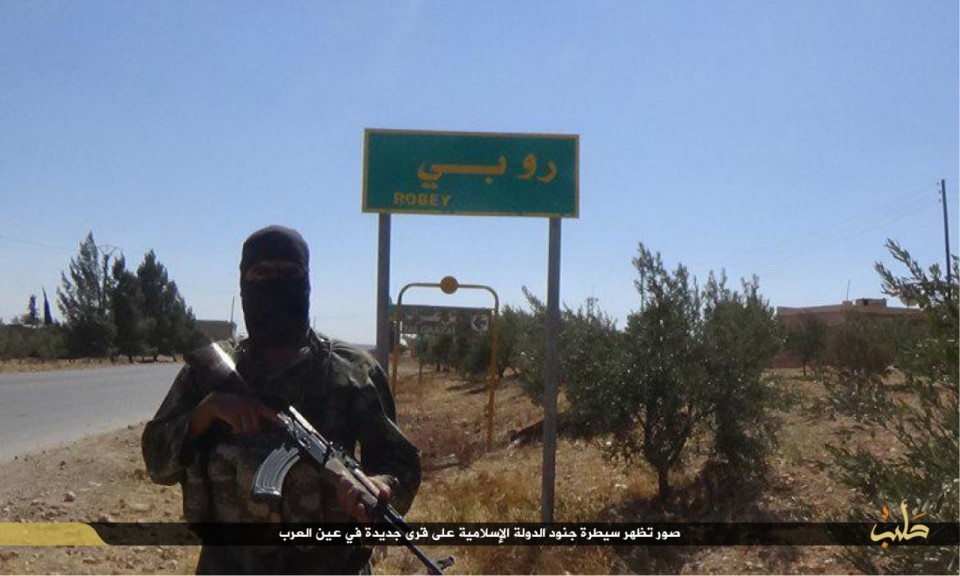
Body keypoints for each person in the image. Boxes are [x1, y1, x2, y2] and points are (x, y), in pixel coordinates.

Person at [142, 225, 421, 574]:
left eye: (289, 273)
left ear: (307, 281)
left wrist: (381, 486)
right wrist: (207, 411)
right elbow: (156, 463)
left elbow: (400, 461)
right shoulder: (208, 373)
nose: (276, 283)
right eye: (262, 272)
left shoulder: (351, 370)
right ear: (243, 282)